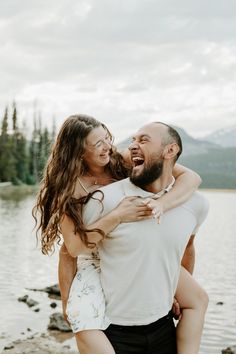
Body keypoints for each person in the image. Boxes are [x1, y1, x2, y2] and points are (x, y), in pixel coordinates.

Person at [33, 115, 207, 354]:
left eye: (107, 138)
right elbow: (70, 250)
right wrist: (67, 303)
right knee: (82, 315)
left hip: (138, 248)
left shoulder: (122, 160)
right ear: (78, 151)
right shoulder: (69, 187)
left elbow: (192, 178)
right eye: (97, 144)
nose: (107, 147)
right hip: (95, 254)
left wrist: (163, 204)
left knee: (197, 298)